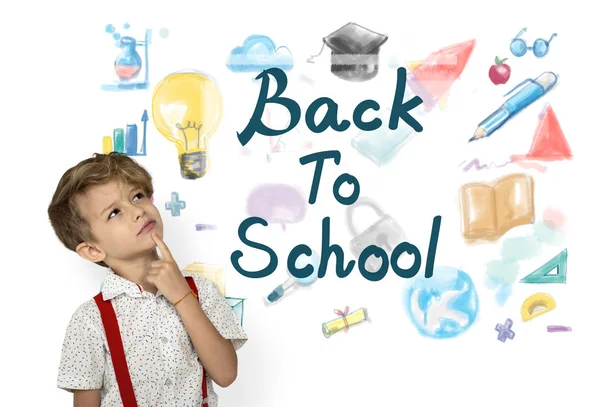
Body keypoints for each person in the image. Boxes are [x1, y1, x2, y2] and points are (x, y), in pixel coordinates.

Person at [49, 152, 247, 407]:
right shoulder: (90, 319)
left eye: (137, 196)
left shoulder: (202, 291)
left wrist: (181, 296)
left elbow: (226, 374)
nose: (137, 211)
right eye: (114, 212)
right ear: (92, 250)